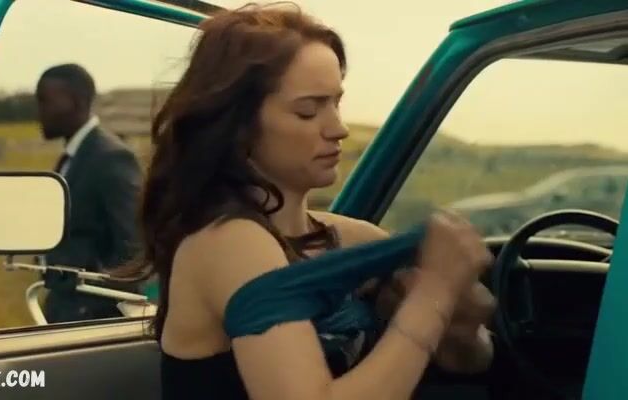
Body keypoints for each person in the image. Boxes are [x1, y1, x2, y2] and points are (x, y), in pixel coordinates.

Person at [116, 3, 496, 399]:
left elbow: (474, 362)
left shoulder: (355, 240)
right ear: (239, 125)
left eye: (336, 103)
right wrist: (433, 295)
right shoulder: (226, 243)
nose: (338, 128)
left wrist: (460, 321)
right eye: (308, 111)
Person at [35, 64, 143, 323]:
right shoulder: (76, 155)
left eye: (45, 101)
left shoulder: (110, 157)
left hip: (89, 317)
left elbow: (133, 244)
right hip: (65, 308)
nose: (38, 111)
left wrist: (92, 308)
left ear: (76, 102)